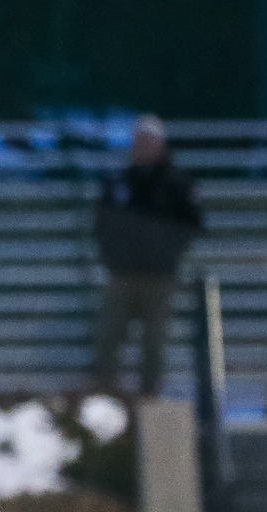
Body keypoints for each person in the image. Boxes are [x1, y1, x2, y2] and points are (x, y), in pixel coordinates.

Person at [92, 114, 204, 398]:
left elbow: (191, 225)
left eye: (148, 142)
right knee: (109, 336)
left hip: (159, 276)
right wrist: (114, 259)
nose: (141, 147)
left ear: (159, 145)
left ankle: (150, 396)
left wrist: (164, 251)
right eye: (138, 141)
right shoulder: (120, 181)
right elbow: (102, 225)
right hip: (123, 275)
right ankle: (106, 395)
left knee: (154, 341)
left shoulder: (176, 183)